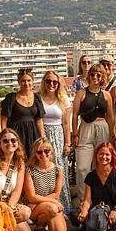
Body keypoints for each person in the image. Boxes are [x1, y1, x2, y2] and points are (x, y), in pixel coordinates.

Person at [72, 64, 116, 206]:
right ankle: (83, 199)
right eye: (93, 75)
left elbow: (110, 116)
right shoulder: (81, 93)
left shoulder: (106, 95)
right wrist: (75, 134)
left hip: (102, 126)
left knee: (101, 163)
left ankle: (100, 197)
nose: (95, 78)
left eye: (98, 75)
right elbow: (74, 115)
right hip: (86, 127)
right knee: (82, 167)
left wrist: (112, 134)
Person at [79, 142, 116, 231]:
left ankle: (100, 225)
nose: (104, 157)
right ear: (96, 155)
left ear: (112, 156)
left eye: (107, 154)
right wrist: (84, 211)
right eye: (101, 154)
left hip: (114, 210)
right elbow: (87, 200)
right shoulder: (90, 176)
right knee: (74, 215)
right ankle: (107, 225)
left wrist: (114, 211)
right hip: (97, 210)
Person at [39, 70, 72, 214]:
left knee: (59, 168)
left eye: (55, 82)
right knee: (45, 168)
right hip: (43, 135)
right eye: (48, 81)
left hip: (58, 135)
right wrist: (42, 138)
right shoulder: (38, 98)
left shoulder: (63, 99)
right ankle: (46, 205)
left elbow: (66, 123)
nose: (51, 84)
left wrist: (67, 143)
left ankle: (63, 205)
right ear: (44, 83)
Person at [22, 137, 68, 231]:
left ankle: (44, 222)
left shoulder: (58, 170)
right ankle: (39, 225)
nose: (43, 154)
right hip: (33, 207)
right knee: (52, 208)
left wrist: (49, 201)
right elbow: (31, 197)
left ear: (51, 152)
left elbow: (56, 194)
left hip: (47, 203)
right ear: (35, 153)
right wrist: (54, 202)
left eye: (46, 151)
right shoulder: (30, 170)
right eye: (39, 152)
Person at [0, 68, 46, 158]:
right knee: (18, 160)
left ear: (33, 81)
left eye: (29, 80)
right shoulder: (11, 98)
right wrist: (5, 137)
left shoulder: (37, 97)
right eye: (23, 81)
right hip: (17, 135)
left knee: (33, 160)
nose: (26, 83)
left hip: (33, 134)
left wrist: (42, 138)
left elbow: (39, 120)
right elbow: (3, 120)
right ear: (19, 82)